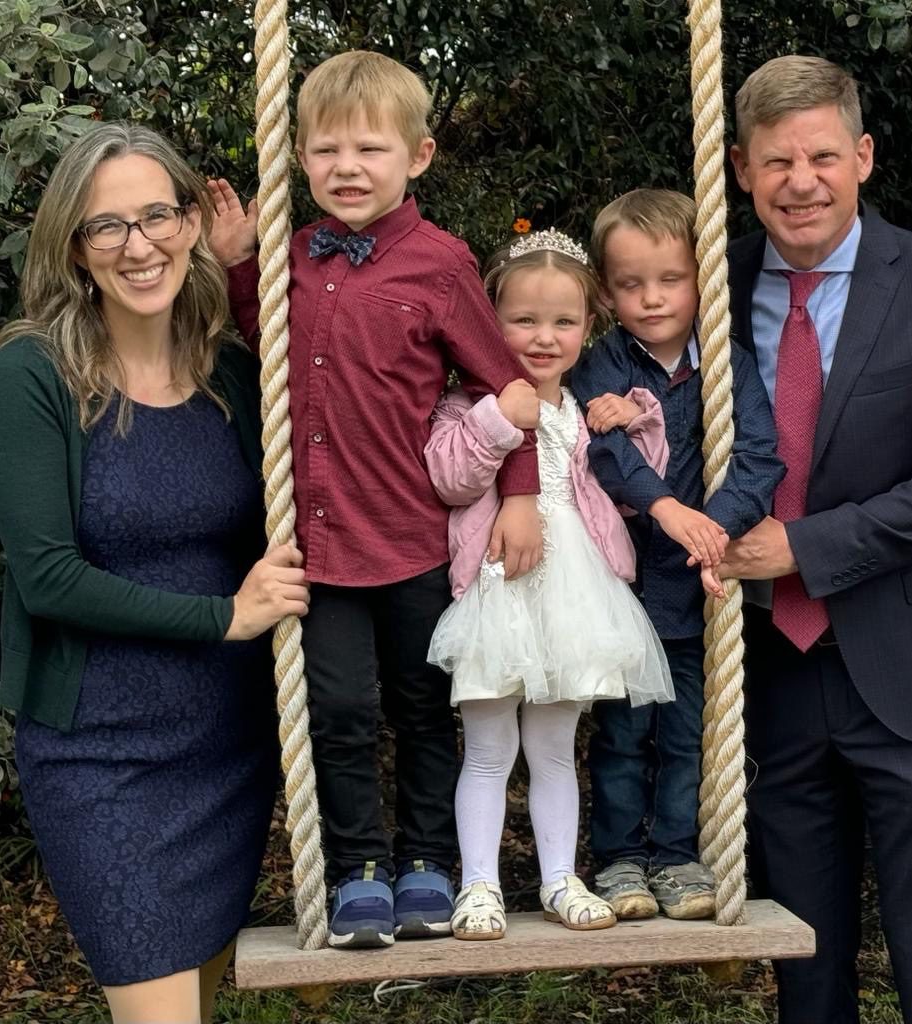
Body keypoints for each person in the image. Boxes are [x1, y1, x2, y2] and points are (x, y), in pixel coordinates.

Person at [207, 50, 541, 949]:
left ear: (418, 156)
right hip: (316, 546)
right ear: (301, 160)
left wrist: (520, 495)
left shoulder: (441, 264)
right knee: (339, 711)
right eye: (325, 151)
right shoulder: (291, 255)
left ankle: (427, 860)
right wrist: (241, 268)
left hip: (411, 540)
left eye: (369, 149)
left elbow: (504, 387)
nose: (346, 168)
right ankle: (359, 867)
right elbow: (263, 345)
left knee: (427, 706)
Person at [0, 123, 308, 1024]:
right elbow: (46, 576)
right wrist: (224, 617)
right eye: (108, 227)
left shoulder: (235, 373)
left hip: (226, 747)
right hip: (100, 757)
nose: (139, 246)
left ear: (189, 221)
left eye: (157, 216)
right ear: (72, 245)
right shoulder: (35, 373)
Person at [721, 54, 912, 1024]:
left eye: (822, 155)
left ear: (863, 155)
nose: (801, 181)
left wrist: (800, 547)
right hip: (770, 680)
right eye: (776, 160)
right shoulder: (707, 289)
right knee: (804, 971)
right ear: (741, 168)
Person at [425, 228, 675, 939]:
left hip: (575, 599)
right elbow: (450, 479)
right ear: (489, 322)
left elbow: (630, 494)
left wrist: (635, 420)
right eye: (523, 320)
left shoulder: (584, 413)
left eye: (563, 322)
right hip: (497, 596)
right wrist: (498, 420)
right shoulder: (462, 404)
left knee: (557, 749)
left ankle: (561, 878)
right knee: (487, 749)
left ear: (588, 326)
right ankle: (478, 887)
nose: (543, 338)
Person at [571, 189, 784, 921]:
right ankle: (621, 858)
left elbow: (758, 460)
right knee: (624, 737)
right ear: (605, 289)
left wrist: (712, 531)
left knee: (688, 734)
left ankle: (676, 856)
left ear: (704, 280)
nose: (651, 298)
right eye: (630, 284)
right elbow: (602, 455)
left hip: (700, 589)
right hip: (625, 588)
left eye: (669, 279)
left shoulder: (730, 366)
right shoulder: (599, 367)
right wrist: (671, 511)